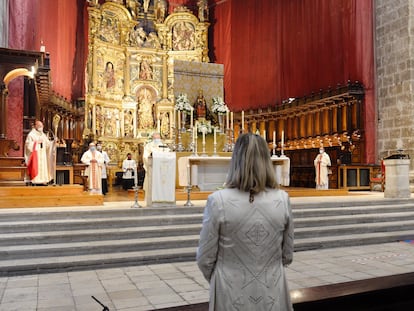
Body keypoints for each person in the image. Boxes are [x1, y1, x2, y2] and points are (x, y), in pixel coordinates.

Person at [196, 133, 294, 311]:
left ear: (235, 161)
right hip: (272, 292)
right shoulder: (282, 199)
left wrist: (223, 277)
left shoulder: (218, 201)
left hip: (230, 293)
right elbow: (287, 255)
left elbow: (204, 258)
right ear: (266, 160)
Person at [25, 120, 54, 185]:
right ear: (35, 126)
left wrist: (53, 142)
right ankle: (35, 180)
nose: (41, 127)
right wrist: (36, 143)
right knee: (36, 166)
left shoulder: (43, 135)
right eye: (39, 126)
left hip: (42, 155)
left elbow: (47, 144)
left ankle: (43, 180)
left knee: (43, 166)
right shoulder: (31, 135)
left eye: (42, 126)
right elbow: (28, 145)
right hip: (35, 155)